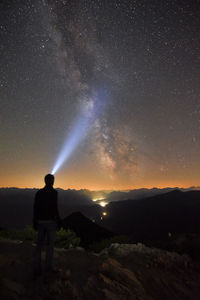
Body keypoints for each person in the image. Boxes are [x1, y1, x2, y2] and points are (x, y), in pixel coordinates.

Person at [33, 174, 61, 279]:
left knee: (39, 246)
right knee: (50, 246)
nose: (53, 182)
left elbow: (35, 208)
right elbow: (55, 208)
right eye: (52, 180)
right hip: (50, 222)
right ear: (51, 181)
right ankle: (48, 268)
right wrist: (58, 221)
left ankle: (37, 269)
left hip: (40, 222)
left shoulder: (39, 193)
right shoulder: (54, 193)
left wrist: (34, 221)